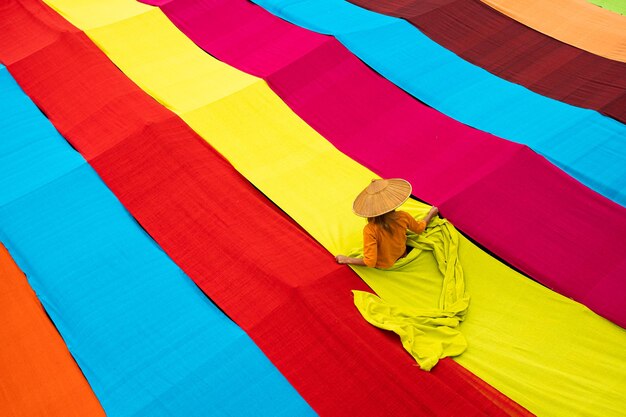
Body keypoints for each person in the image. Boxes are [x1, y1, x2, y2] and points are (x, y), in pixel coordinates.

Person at [335, 178, 438, 268]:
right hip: (402, 255)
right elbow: (419, 229)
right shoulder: (403, 216)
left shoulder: (370, 229)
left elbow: (370, 262)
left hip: (383, 266)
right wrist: (430, 214)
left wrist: (347, 259)